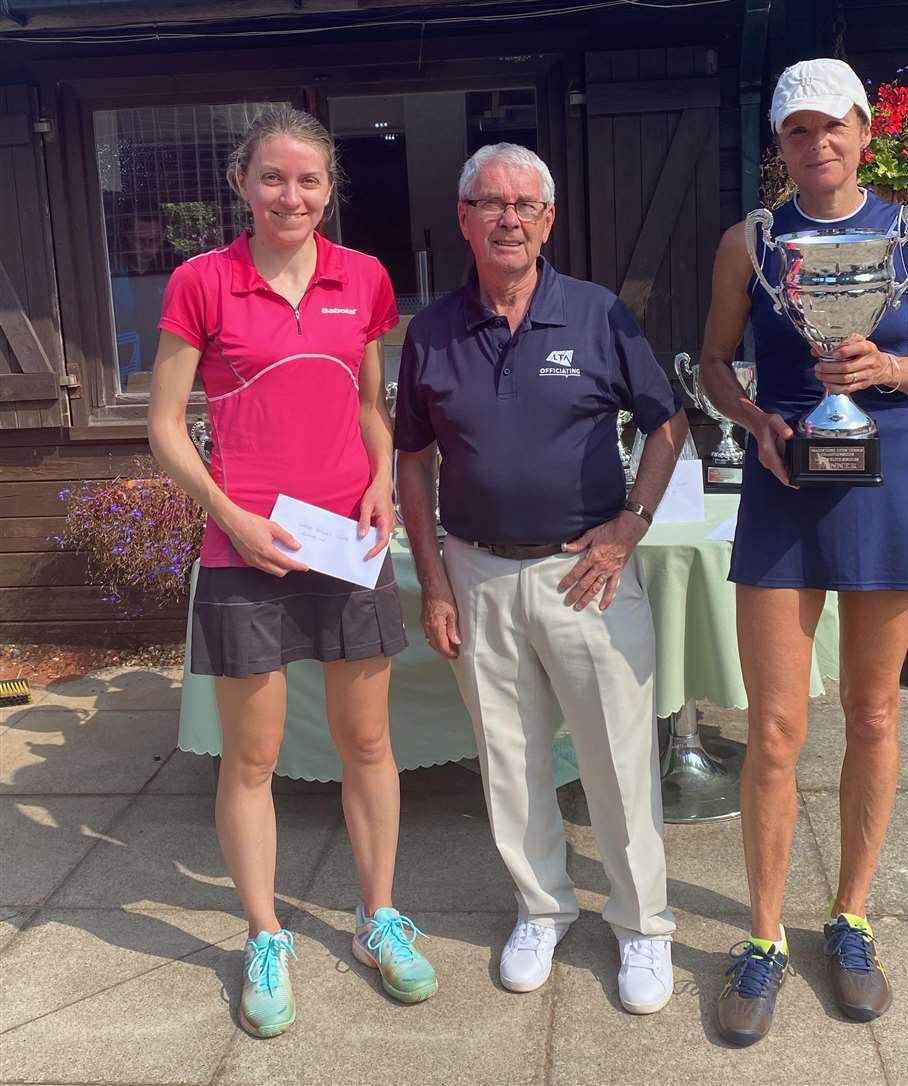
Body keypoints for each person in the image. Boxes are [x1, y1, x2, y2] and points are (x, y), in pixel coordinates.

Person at [147, 106, 437, 1039]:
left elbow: (370, 404)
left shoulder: (365, 279)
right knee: (256, 758)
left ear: (330, 191)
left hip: (343, 545)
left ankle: (377, 916)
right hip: (245, 549)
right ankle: (266, 933)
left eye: (310, 181)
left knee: (366, 745)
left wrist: (385, 481)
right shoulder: (203, 281)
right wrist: (228, 513)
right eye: (274, 178)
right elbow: (162, 427)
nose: (292, 196)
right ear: (242, 183)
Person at [698, 58, 908, 1045]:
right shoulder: (749, 243)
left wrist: (885, 364)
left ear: (862, 131)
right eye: (798, 132)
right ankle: (762, 936)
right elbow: (715, 362)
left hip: (886, 471)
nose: (818, 145)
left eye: (833, 126)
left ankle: (849, 916)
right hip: (784, 478)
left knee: (876, 710)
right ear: (781, 145)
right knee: (771, 727)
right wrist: (759, 419)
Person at [394, 143, 689, 1015]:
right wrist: (437, 581)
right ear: (464, 218)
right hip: (477, 574)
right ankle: (542, 907)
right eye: (490, 203)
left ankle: (642, 927)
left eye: (525, 204)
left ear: (549, 220)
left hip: (583, 576)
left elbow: (668, 427)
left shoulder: (598, 316)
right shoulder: (432, 331)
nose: (508, 218)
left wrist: (630, 526)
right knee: (511, 761)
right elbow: (412, 461)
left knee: (619, 760)